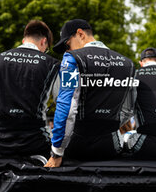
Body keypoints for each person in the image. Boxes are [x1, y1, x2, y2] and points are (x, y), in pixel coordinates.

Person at [45, 19, 136, 167]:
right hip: (111, 146)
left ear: (80, 34)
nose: (67, 51)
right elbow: (129, 109)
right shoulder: (127, 63)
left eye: (68, 45)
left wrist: (57, 152)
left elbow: (67, 108)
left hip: (78, 147)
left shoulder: (72, 59)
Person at [0, 20, 60, 159]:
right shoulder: (52, 65)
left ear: (24, 40)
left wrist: (5, 117)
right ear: (43, 42)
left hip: (0, 141)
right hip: (36, 142)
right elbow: (63, 104)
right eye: (46, 49)